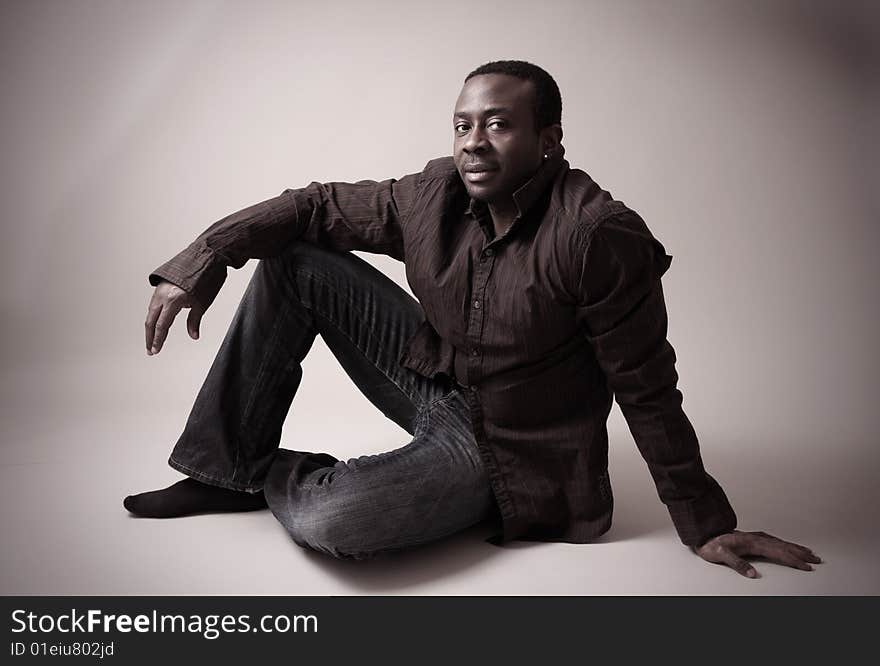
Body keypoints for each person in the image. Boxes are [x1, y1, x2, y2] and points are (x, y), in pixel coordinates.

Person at [125, 60, 820, 576]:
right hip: (435, 378)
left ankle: (276, 471)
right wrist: (206, 255)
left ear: (548, 140)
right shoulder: (433, 196)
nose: (473, 143)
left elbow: (648, 387)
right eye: (463, 124)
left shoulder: (596, 236)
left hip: (507, 449)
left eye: (497, 124)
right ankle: (224, 471)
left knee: (332, 519)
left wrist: (703, 523)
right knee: (294, 257)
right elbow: (315, 205)